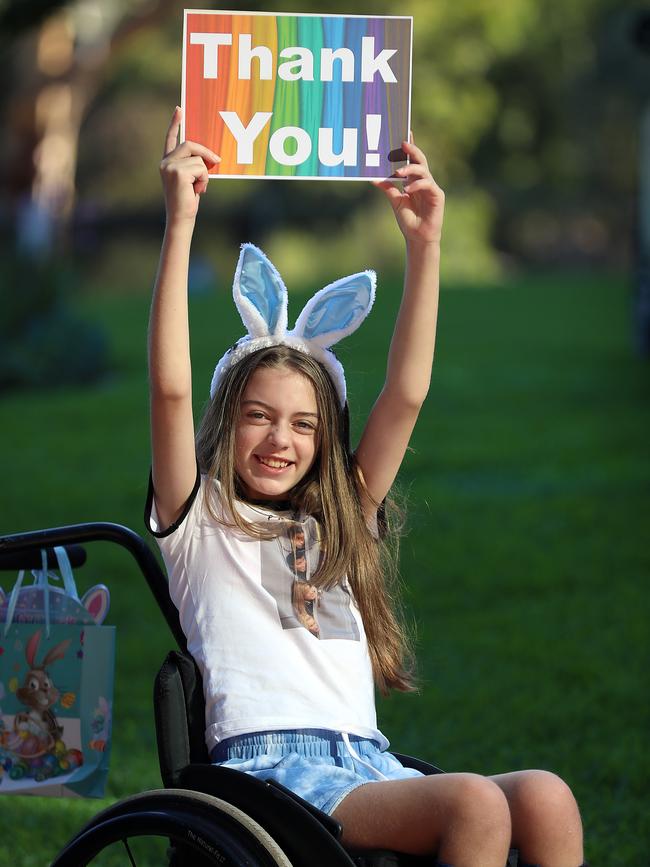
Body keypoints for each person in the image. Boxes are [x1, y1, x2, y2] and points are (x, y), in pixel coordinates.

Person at [146, 106, 586, 867]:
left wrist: (426, 244)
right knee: (476, 802)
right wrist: (181, 222)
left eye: (304, 425)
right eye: (258, 416)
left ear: (325, 442)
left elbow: (406, 394)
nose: (281, 438)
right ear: (228, 420)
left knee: (545, 793)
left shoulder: (342, 516)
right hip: (270, 776)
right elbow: (171, 391)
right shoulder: (200, 519)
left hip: (368, 762)